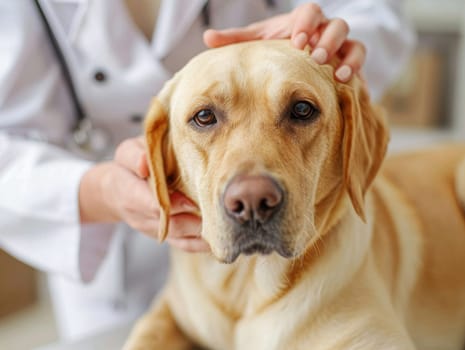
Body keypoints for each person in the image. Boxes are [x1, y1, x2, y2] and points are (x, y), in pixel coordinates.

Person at [0, 0, 415, 341]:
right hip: (115, 270)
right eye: (205, 118)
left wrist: (334, 48)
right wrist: (101, 190)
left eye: (300, 110)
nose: (252, 190)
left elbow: (376, 13)